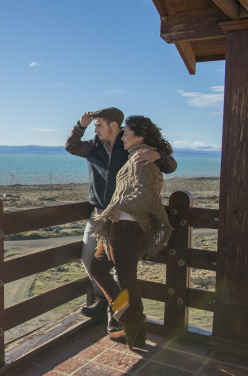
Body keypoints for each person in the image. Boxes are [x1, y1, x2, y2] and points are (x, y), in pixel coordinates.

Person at [65, 108, 176, 333]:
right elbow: (70, 146)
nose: (95, 130)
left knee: (119, 271)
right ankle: (108, 301)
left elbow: (167, 167)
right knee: (92, 261)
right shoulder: (93, 147)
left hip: (124, 219)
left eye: (98, 125)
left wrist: (160, 156)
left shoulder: (131, 150)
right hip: (101, 214)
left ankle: (118, 316)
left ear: (113, 125)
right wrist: (80, 125)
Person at [88, 115, 173, 349]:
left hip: (127, 226)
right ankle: (132, 325)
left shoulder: (140, 155)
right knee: (100, 268)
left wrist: (118, 209)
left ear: (140, 137)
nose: (123, 137)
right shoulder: (140, 154)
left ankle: (133, 324)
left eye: (126, 133)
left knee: (125, 280)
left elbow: (141, 192)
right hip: (123, 226)